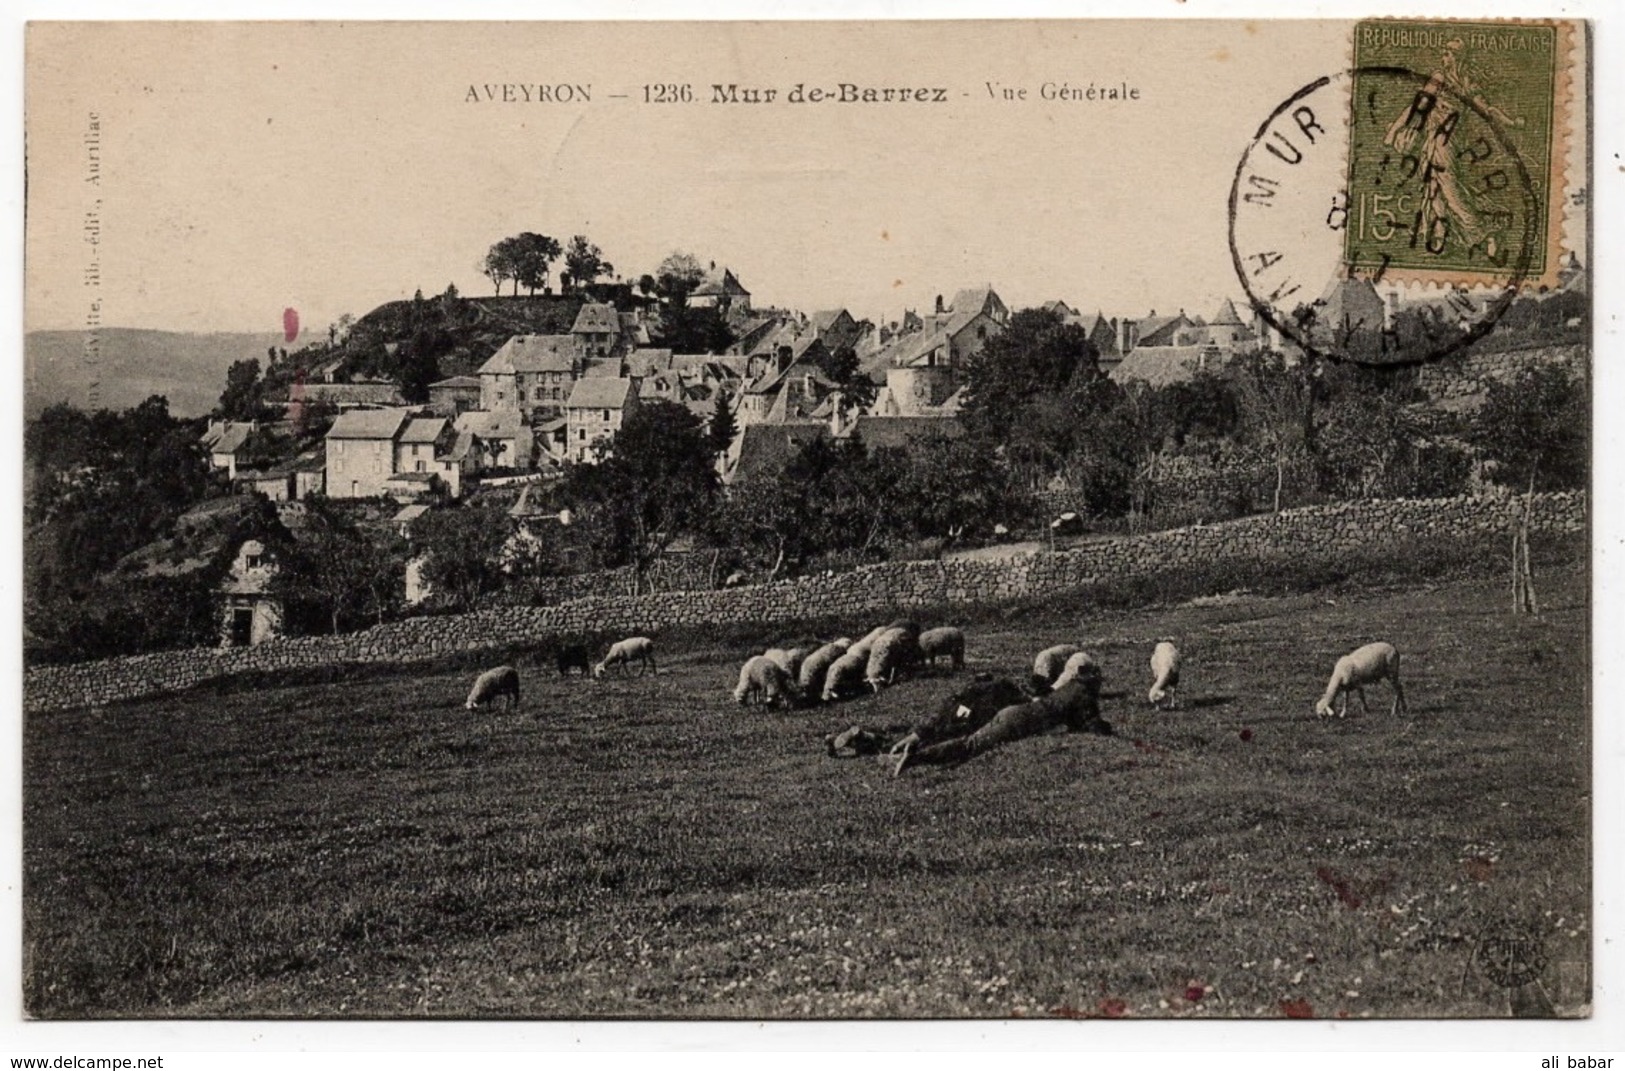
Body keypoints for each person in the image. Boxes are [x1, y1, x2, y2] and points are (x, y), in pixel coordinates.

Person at [892, 663, 1112, 776]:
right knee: (971, 745)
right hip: (1019, 721)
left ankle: (918, 754)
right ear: (1093, 680)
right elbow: (1092, 724)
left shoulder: (1069, 688)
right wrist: (1107, 731)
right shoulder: (1084, 694)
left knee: (971, 741)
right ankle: (916, 758)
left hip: (1015, 713)